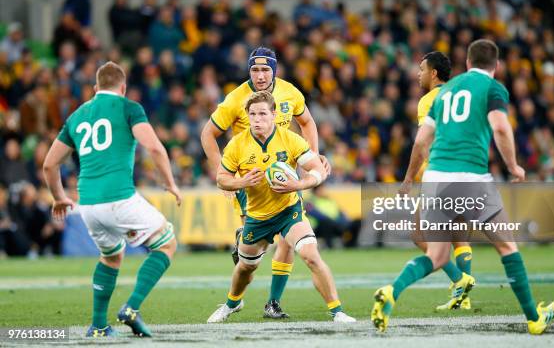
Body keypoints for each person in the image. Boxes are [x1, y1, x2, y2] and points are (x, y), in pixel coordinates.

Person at [371, 39, 554, 335]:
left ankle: (392, 291)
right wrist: (513, 166)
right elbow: (499, 127)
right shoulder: (493, 89)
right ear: (495, 66)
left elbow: (421, 142)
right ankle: (534, 318)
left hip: (435, 178)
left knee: (436, 256)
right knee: (507, 245)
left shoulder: (445, 92)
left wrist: (409, 179)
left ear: (468, 63)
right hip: (470, 176)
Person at [43, 62, 182, 338]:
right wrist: (169, 182)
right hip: (119, 198)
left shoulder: (76, 116)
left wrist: (59, 198)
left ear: (96, 89)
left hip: (88, 205)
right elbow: (154, 146)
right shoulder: (129, 108)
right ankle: (132, 307)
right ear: (124, 87)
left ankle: (98, 326)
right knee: (167, 243)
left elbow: (49, 165)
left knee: (111, 256)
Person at [200, 46, 330, 319]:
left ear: (275, 71)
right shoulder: (236, 99)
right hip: (252, 181)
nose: (260, 75)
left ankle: (273, 303)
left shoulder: (290, 92)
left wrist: (313, 157)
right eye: (255, 70)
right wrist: (223, 175)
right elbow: (207, 134)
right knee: (251, 258)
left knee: (288, 240)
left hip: (285, 178)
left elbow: (307, 122)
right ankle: (236, 293)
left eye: (265, 70)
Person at [206, 91, 354, 324]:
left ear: (274, 115)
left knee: (311, 256)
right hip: (257, 217)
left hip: (289, 212)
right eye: (252, 114)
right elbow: (221, 179)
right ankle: (231, 304)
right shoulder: (237, 144)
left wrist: (298, 184)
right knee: (246, 268)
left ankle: (338, 311)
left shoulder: (291, 139)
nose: (257, 119)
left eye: (263, 113)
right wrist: (241, 182)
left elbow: (317, 171)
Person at [414, 51, 475, 311]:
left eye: (421, 69)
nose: (418, 74)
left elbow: (423, 142)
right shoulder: (460, 95)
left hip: (441, 173)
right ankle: (464, 298)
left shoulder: (428, 100)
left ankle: (459, 279)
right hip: (467, 170)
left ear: (433, 73)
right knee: (460, 235)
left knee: (418, 233)